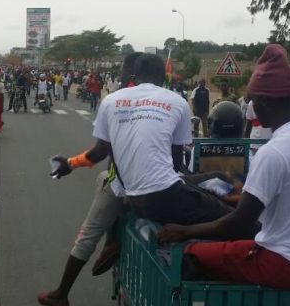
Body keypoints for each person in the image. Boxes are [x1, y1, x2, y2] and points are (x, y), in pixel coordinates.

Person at [157, 44, 290, 289]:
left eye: (253, 98)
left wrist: (184, 231)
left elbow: (238, 223)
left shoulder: (274, 152)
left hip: (285, 263)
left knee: (192, 252)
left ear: (263, 100)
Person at [51, 53, 231, 226]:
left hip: (135, 195)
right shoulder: (177, 102)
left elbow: (98, 153)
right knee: (235, 218)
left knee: (217, 178)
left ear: (133, 75)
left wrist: (69, 163)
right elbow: (176, 164)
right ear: (164, 77)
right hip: (162, 195)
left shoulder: (110, 101)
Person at [38, 53, 142, 306]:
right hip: (161, 185)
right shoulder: (170, 102)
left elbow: (99, 153)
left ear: (130, 73)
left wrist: (70, 164)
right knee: (102, 178)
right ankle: (112, 239)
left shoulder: (116, 100)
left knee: (87, 234)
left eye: (122, 69)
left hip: (124, 183)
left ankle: (61, 294)